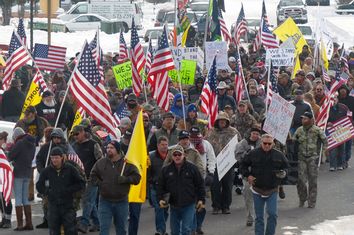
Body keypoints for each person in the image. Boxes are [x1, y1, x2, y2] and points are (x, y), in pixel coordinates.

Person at [240, 134, 289, 235]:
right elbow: (243, 164)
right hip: (257, 189)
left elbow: (287, 167)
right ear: (261, 142)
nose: (267, 145)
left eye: (269, 143)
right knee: (259, 217)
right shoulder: (253, 153)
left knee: (272, 214)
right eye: (264, 143)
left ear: (273, 143)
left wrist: (284, 172)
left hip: (272, 190)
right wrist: (247, 175)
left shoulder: (279, 155)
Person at [90, 140, 141, 235]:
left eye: (111, 148)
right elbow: (93, 175)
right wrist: (101, 184)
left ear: (117, 150)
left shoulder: (127, 163)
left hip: (121, 201)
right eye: (107, 147)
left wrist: (125, 179)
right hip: (105, 201)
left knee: (121, 229)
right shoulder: (101, 162)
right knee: (104, 230)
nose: (108, 150)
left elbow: (137, 178)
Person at [36, 147, 85, 235]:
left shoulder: (70, 169)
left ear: (62, 157)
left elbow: (81, 183)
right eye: (52, 158)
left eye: (56, 158)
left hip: (68, 205)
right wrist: (48, 192)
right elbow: (39, 186)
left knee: (71, 230)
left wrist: (68, 190)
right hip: (53, 206)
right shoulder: (46, 171)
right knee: (54, 230)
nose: (54, 160)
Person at [157, 145, 205, 235]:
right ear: (172, 156)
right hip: (174, 205)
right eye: (175, 155)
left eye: (179, 154)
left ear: (184, 155)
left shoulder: (192, 168)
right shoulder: (166, 170)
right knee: (174, 231)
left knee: (186, 230)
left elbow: (200, 184)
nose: (177, 156)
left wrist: (201, 200)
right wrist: (160, 199)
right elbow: (160, 186)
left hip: (189, 204)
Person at [207, 112, 240, 214]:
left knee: (227, 185)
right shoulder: (211, 132)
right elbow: (206, 144)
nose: (222, 122)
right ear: (217, 121)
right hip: (215, 162)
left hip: (228, 163)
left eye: (224, 120)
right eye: (220, 120)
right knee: (215, 185)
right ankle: (216, 206)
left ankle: (226, 206)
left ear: (227, 121)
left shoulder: (233, 132)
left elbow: (240, 144)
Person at [72, 125, 103, 233]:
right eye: (74, 135)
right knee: (90, 202)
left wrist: (99, 175)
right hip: (80, 178)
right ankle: (98, 223)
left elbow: (101, 161)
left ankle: (84, 223)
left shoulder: (93, 144)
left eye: (77, 134)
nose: (75, 137)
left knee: (87, 201)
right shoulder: (74, 146)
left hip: (92, 177)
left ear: (82, 132)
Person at [293, 112, 327, 208]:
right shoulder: (299, 130)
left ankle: (312, 201)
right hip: (302, 158)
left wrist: (324, 153)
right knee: (301, 180)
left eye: (305, 119)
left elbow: (325, 140)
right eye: (302, 119)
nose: (303, 120)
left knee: (313, 181)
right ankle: (302, 199)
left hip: (313, 158)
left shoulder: (317, 130)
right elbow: (293, 140)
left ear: (311, 120)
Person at [8, 127, 36, 231]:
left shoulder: (19, 143)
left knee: (18, 198)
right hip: (28, 173)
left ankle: (20, 225)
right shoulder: (32, 144)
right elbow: (29, 158)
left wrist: (10, 150)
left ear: (16, 136)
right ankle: (29, 224)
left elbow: (10, 156)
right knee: (25, 198)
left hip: (19, 173)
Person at [189, 127, 216, 234]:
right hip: (189, 179)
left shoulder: (206, 144)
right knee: (191, 204)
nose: (195, 137)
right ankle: (192, 227)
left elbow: (212, 158)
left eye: (197, 135)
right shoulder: (186, 145)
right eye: (193, 135)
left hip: (202, 179)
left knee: (201, 205)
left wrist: (211, 172)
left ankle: (198, 225)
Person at [235, 127, 261, 227]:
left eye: (257, 134)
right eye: (253, 133)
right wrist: (249, 154)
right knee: (248, 195)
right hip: (247, 174)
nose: (255, 135)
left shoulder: (263, 143)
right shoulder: (242, 143)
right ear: (250, 133)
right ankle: (250, 216)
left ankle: (259, 216)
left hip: (260, 174)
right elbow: (238, 156)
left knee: (260, 196)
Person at [148, 136, 170, 235]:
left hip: (168, 188)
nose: (164, 147)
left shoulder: (172, 155)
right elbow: (147, 172)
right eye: (162, 145)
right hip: (155, 187)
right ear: (158, 145)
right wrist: (151, 180)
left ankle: (162, 227)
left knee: (165, 210)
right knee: (159, 208)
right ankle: (160, 230)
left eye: (166, 145)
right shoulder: (151, 156)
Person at [0, 131, 12, 229]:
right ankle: (4, 218)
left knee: (6, 199)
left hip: (4, 178)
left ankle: (8, 220)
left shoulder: (3, 150)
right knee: (1, 200)